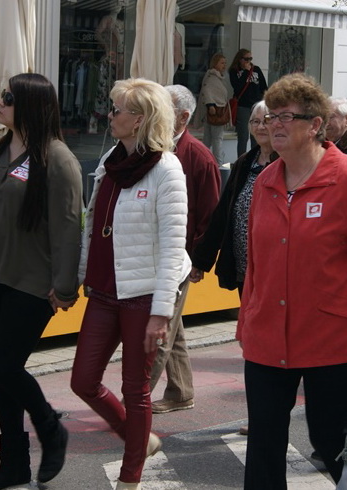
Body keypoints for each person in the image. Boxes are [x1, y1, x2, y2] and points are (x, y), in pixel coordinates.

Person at [239, 73, 347, 487]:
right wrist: (247, 318)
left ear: (315, 125)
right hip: (267, 334)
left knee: (332, 439)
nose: (274, 125)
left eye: (286, 117)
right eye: (271, 116)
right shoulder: (265, 181)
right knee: (263, 442)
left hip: (335, 337)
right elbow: (255, 262)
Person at [0, 73, 82, 490]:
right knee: (1, 373)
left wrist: (64, 287)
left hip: (32, 282)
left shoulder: (58, 158)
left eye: (8, 97)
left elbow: (69, 227)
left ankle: (50, 428)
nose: (0, 102)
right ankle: (14, 465)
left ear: (30, 104)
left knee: (7, 366)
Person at [70, 78, 190, 490]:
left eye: (117, 109)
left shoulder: (166, 169)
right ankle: (142, 440)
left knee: (135, 390)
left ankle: (130, 479)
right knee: (83, 380)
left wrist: (162, 312)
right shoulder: (111, 159)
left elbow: (174, 248)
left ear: (139, 119)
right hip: (105, 290)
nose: (110, 115)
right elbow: (93, 225)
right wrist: (80, 276)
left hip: (143, 295)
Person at [149, 85, 221, 415]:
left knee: (160, 329)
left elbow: (209, 214)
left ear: (182, 117)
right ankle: (181, 391)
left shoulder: (198, 156)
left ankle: (135, 398)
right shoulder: (156, 147)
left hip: (180, 258)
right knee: (172, 327)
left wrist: (199, 261)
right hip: (156, 253)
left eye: (164, 108)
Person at [190, 100, 275, 295]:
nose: (261, 127)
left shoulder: (288, 164)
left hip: (273, 270)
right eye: (255, 122)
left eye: (267, 120)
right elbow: (222, 215)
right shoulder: (244, 163)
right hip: (243, 268)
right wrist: (201, 261)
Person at [230, 48, 267, 156]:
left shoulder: (256, 69)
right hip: (243, 106)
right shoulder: (234, 71)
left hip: (256, 105)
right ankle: (241, 160)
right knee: (243, 135)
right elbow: (237, 87)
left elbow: (264, 87)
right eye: (246, 59)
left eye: (250, 59)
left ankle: (254, 158)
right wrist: (246, 72)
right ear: (240, 59)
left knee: (255, 134)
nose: (248, 62)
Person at [195, 53, 230, 164]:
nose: (224, 65)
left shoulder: (219, 77)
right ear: (215, 64)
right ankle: (218, 163)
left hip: (215, 111)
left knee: (208, 138)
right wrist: (210, 104)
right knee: (217, 139)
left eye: (225, 63)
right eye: (222, 63)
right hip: (215, 112)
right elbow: (207, 91)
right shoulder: (212, 77)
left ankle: (203, 160)